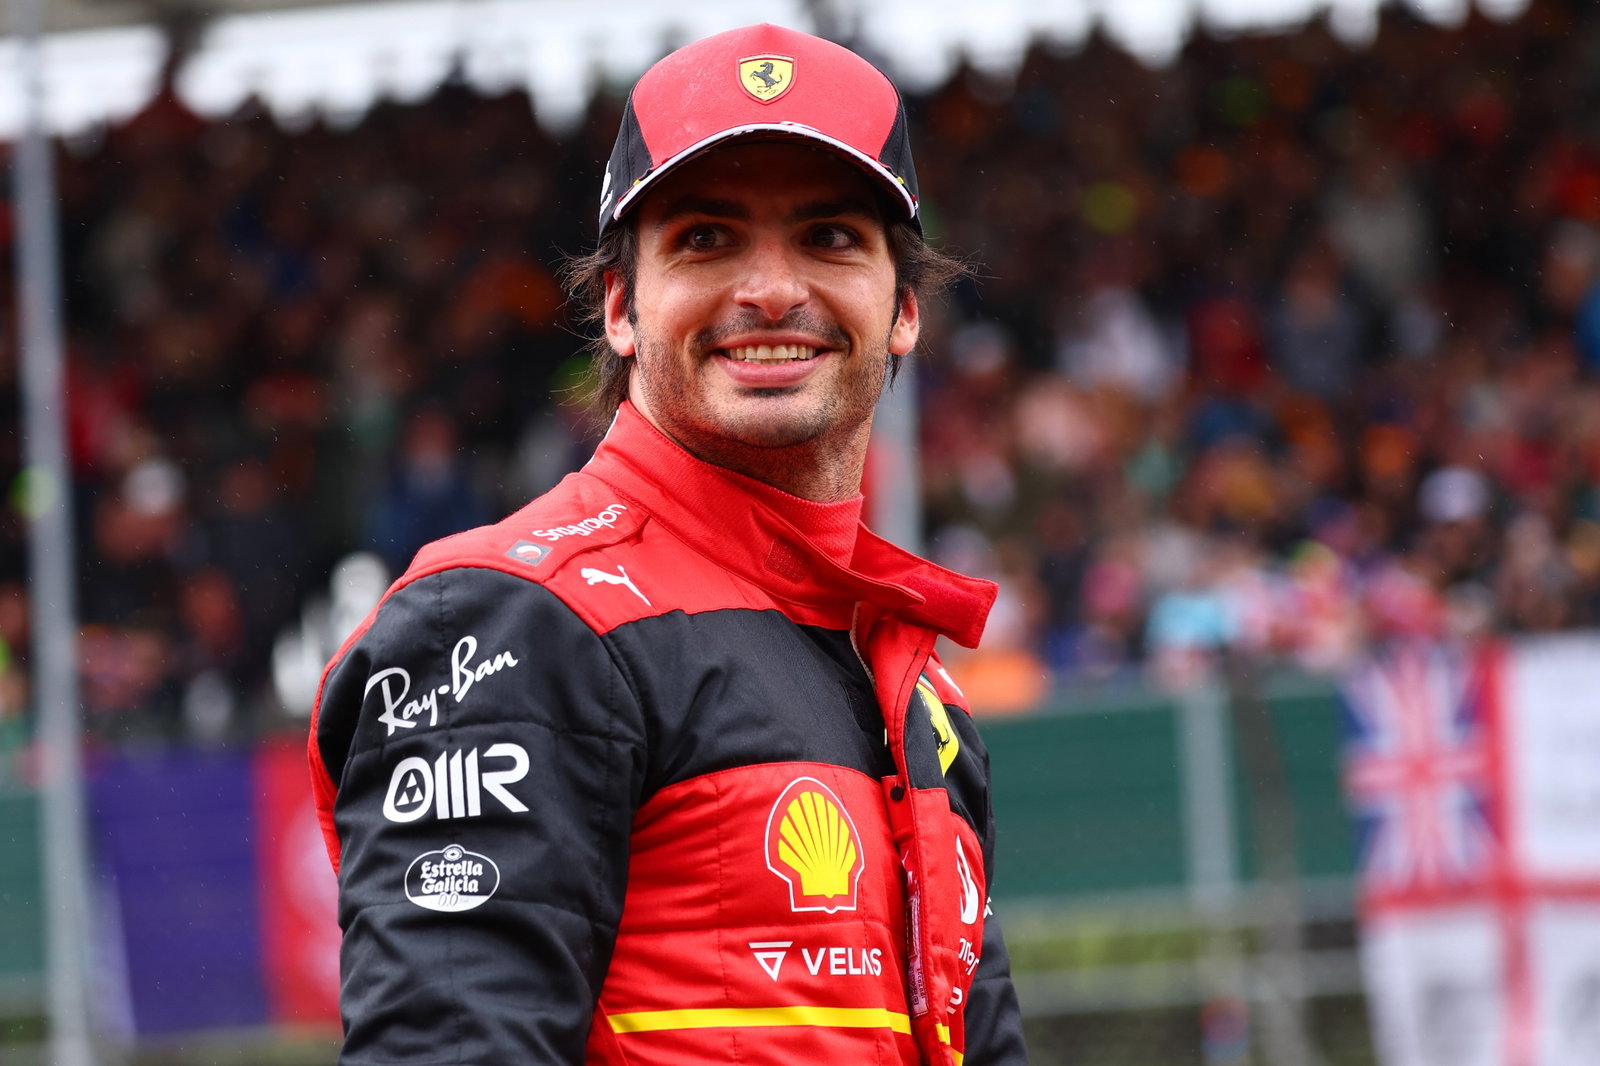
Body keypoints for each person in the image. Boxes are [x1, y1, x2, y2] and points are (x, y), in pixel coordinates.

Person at [309, 23, 1030, 1065]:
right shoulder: (512, 620)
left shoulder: (919, 689)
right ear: (619, 308)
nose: (771, 288)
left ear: (904, 308)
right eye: (706, 239)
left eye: (829, 237)